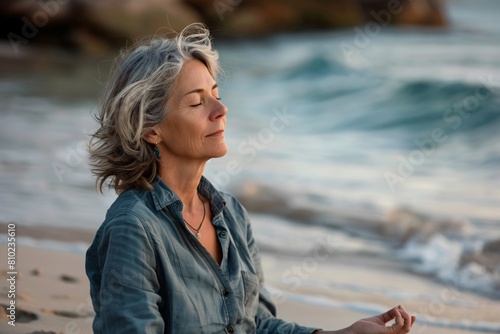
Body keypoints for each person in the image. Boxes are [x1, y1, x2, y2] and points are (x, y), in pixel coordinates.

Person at [85, 23, 416, 333]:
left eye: (216, 94)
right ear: (150, 129)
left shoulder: (230, 214)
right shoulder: (133, 228)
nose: (220, 109)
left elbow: (257, 324)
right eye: (197, 102)